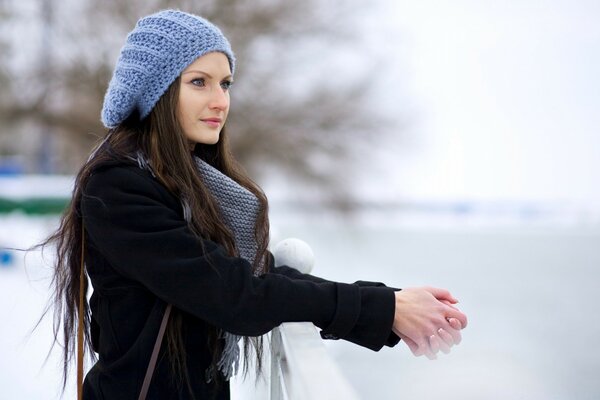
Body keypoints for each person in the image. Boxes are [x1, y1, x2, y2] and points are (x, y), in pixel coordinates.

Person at [43, 9, 467, 400]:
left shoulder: (187, 183)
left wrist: (389, 303)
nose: (220, 100)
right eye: (198, 82)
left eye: (225, 83)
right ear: (155, 92)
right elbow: (237, 296)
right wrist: (384, 308)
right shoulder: (118, 186)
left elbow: (257, 275)